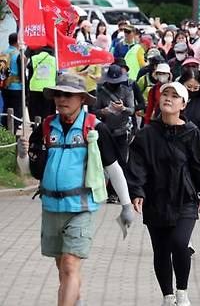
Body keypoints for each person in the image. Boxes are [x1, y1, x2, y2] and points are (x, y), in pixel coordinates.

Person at [23, 73, 134, 306]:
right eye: (58, 94)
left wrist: (126, 206)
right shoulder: (45, 126)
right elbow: (33, 169)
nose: (61, 99)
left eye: (68, 95)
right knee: (62, 268)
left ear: (82, 98)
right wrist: (25, 153)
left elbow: (113, 168)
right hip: (51, 207)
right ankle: (77, 301)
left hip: (82, 207)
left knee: (70, 264)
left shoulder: (95, 129)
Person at [127, 81, 200, 306]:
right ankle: (168, 296)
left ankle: (182, 292)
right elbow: (138, 165)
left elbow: (199, 166)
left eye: (174, 96)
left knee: (179, 243)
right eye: (165, 94)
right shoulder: (147, 133)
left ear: (183, 104)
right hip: (156, 200)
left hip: (184, 198)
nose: (168, 98)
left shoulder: (192, 133)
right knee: (161, 249)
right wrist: (137, 191)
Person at [93, 64, 135, 203]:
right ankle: (109, 192)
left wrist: (122, 108)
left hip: (122, 131)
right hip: (106, 132)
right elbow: (95, 110)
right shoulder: (102, 92)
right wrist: (103, 111)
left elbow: (132, 110)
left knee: (122, 162)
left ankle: (120, 192)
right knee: (107, 162)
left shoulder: (127, 91)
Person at [27, 46, 57, 120]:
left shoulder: (34, 58)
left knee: (35, 110)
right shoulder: (55, 60)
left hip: (35, 88)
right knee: (47, 111)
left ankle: (35, 125)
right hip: (49, 88)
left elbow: (29, 71)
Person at [2, 32, 23, 120]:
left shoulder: (3, 52)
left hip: (4, 85)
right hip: (16, 87)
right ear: (17, 42)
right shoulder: (18, 54)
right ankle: (13, 131)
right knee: (16, 111)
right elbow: (21, 72)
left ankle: (5, 130)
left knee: (6, 108)